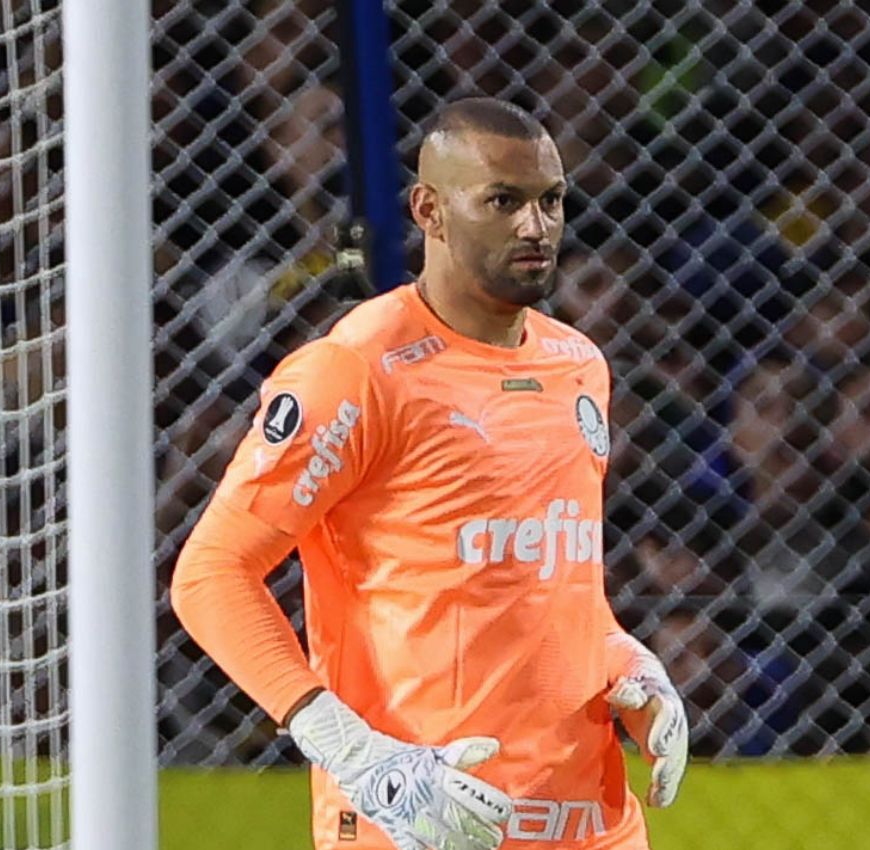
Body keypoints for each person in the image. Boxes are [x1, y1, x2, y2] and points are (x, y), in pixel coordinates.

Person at [171, 98, 688, 850]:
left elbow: (552, 581)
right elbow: (210, 574)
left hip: (590, 823)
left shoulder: (579, 365)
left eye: (551, 201)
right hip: (417, 821)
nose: (536, 227)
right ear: (430, 211)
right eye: (503, 201)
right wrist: (352, 750)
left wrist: (628, 664)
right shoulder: (356, 371)